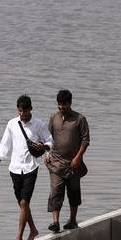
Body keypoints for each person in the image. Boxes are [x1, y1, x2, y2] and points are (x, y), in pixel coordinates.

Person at [0, 95, 52, 240]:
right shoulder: (12, 124)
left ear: (31, 109)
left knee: (24, 203)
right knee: (22, 204)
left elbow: (51, 141)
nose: (22, 114)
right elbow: (4, 146)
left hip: (31, 167)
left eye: (24, 111)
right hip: (15, 169)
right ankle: (33, 230)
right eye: (20, 111)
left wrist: (43, 147)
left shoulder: (38, 124)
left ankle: (19, 238)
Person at [45, 89, 90, 232]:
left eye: (63, 104)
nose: (61, 107)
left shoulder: (80, 119)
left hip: (73, 163)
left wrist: (78, 158)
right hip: (56, 163)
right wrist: (46, 154)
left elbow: (85, 140)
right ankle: (56, 222)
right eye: (58, 104)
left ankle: (72, 220)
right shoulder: (54, 118)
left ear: (70, 103)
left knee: (73, 192)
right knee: (56, 192)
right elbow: (47, 139)